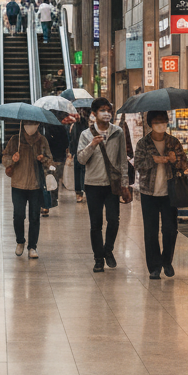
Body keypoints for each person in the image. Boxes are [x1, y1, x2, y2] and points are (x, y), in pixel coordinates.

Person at [133, 111, 188, 279]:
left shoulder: (173, 142)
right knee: (151, 231)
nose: (161, 124)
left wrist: (174, 160)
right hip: (148, 193)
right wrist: (153, 160)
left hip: (170, 193)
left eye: (163, 121)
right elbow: (138, 165)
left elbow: (185, 164)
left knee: (170, 230)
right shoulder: (143, 143)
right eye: (157, 121)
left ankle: (167, 261)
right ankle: (154, 267)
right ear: (150, 123)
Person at [77, 98, 128, 273]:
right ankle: (98, 259)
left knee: (113, 220)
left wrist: (125, 184)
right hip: (92, 184)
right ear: (94, 114)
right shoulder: (86, 135)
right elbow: (81, 159)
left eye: (109, 110)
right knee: (95, 223)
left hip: (112, 185)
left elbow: (122, 160)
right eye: (102, 110)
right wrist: (92, 145)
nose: (106, 113)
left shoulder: (118, 132)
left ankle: (108, 249)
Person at [4, 121, 52, 258]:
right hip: (18, 184)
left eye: (34, 123)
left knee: (34, 217)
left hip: (36, 184)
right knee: (18, 215)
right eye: (28, 123)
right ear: (23, 124)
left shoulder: (42, 140)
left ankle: (32, 246)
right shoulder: (15, 140)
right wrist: (12, 159)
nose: (31, 126)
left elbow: (50, 160)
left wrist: (43, 159)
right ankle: (20, 241)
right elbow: (5, 157)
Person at [42, 121, 70, 216]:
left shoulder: (54, 127)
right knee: (48, 180)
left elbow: (65, 143)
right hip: (48, 158)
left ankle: (47, 204)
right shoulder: (40, 127)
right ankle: (47, 203)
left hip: (53, 158)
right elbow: (66, 143)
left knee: (49, 180)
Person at [69, 107, 89, 203]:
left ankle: (84, 190)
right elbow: (72, 139)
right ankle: (78, 192)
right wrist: (71, 152)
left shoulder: (85, 124)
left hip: (84, 151)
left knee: (84, 171)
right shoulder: (73, 125)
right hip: (76, 151)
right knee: (77, 172)